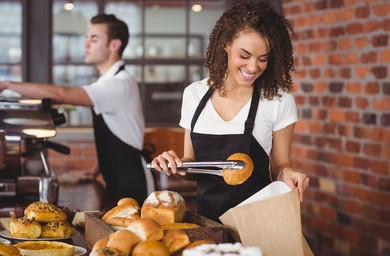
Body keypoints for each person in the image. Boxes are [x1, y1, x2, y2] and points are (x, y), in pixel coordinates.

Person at [151, 0, 309, 222]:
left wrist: (288, 174)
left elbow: (280, 166)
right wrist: (175, 165)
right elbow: (191, 164)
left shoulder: (278, 100)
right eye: (244, 56)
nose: (253, 67)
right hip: (207, 223)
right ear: (225, 44)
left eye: (262, 58)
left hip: (260, 223)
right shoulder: (194, 95)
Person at [0, 14, 151, 207]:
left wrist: (7, 84)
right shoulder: (108, 82)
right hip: (118, 180)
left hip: (133, 182)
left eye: (94, 39)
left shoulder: (119, 84)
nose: (86, 45)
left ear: (114, 45)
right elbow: (118, 132)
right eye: (87, 38)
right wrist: (95, 170)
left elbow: (60, 94)